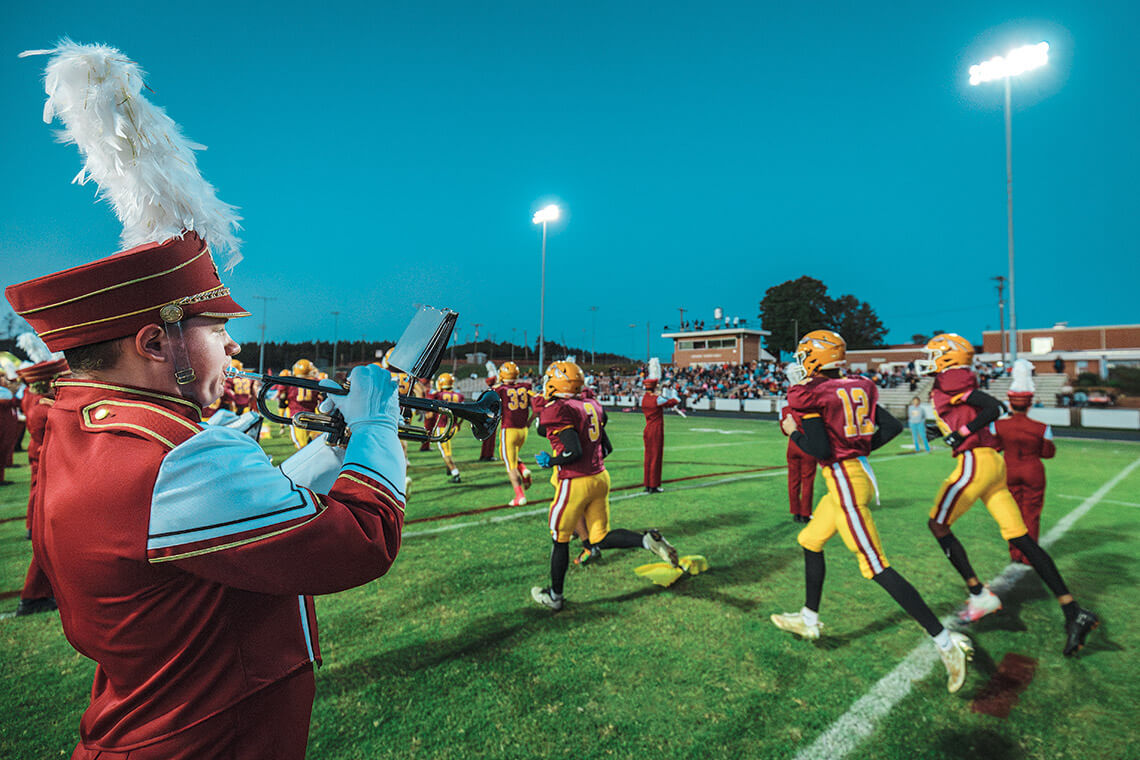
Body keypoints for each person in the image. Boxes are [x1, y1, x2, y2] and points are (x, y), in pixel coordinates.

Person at [6, 42, 407, 758]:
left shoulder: (90, 420)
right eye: (218, 330)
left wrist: (333, 447)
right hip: (206, 736)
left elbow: (246, 505)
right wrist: (377, 425)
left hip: (158, 715)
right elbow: (361, 542)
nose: (233, 350)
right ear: (154, 345)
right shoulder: (173, 456)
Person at [771, 330, 973, 693]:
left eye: (804, 356)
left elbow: (817, 448)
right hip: (851, 475)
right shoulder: (858, 384)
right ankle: (808, 618)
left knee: (875, 566)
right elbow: (892, 426)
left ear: (816, 359)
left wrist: (792, 431)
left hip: (845, 482)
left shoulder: (813, 393)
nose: (799, 364)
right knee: (810, 539)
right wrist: (858, 448)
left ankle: (946, 642)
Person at [916, 334, 1097, 654]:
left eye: (934, 354)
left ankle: (978, 594)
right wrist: (945, 430)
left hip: (975, 464)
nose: (928, 360)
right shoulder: (949, 382)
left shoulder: (951, 378)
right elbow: (971, 413)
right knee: (1022, 538)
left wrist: (960, 433)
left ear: (948, 358)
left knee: (937, 525)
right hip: (993, 465)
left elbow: (992, 407)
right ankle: (1073, 610)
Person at [530, 361, 680, 610]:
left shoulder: (558, 408)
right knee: (599, 537)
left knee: (560, 539)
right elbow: (606, 447)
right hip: (600, 478)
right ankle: (645, 540)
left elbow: (573, 451)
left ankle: (555, 597)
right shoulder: (593, 405)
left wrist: (552, 460)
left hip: (574, 481)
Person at [13, 355, 70, 615]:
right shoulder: (46, 408)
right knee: (48, 540)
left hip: (48, 467)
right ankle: (34, 596)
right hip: (53, 470)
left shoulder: (39, 402)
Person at [993, 360, 1056, 565]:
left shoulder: (998, 426)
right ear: (1030, 404)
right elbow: (1048, 454)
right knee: (1032, 514)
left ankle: (1015, 553)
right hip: (1033, 470)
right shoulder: (1042, 427)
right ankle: (1029, 555)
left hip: (1008, 469)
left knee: (1012, 514)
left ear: (1010, 403)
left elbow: (995, 447)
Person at [492, 360, 534, 506]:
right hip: (523, 430)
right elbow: (535, 408)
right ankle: (524, 470)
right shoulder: (525, 386)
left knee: (509, 463)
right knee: (511, 457)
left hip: (509, 429)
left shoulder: (499, 389)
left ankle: (519, 495)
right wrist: (529, 421)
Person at [640, 377, 679, 493]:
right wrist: (674, 394)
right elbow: (672, 402)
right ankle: (654, 485)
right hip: (656, 429)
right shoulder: (657, 399)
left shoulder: (644, 399)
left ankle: (647, 484)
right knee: (656, 457)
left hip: (647, 428)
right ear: (654, 387)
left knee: (648, 457)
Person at [779, 402, 815, 523]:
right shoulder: (810, 408)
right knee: (807, 481)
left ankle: (795, 512)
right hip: (807, 447)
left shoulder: (786, 409)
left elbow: (784, 431)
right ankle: (805, 513)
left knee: (793, 481)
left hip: (792, 447)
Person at [432, 372, 464, 483]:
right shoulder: (459, 396)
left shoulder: (438, 395)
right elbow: (463, 412)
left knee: (445, 452)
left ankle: (455, 473)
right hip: (453, 427)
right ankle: (449, 468)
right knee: (447, 449)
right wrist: (458, 424)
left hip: (442, 427)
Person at [286, 358, 323, 449]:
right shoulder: (316, 382)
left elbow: (283, 400)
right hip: (312, 416)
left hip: (297, 415)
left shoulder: (290, 383)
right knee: (315, 443)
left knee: (301, 447)